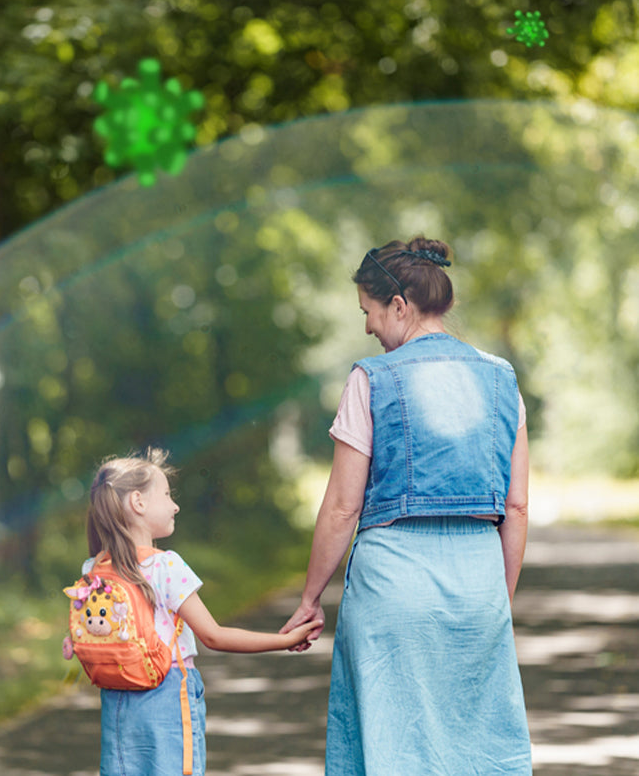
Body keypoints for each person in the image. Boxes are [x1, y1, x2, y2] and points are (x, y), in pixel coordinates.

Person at [281, 237, 532, 775]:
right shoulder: (502, 379)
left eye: (368, 312)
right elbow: (516, 507)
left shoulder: (370, 379)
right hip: (476, 588)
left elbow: (343, 509)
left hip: (391, 590)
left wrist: (309, 597)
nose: (367, 327)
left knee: (391, 747)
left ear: (398, 305)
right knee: (478, 748)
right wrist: (496, 600)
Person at [77, 447, 321, 776]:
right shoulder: (165, 566)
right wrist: (284, 640)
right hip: (167, 695)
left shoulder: (94, 568)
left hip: (115, 701)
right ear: (138, 502)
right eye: (166, 494)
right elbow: (214, 636)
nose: (174, 504)